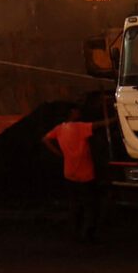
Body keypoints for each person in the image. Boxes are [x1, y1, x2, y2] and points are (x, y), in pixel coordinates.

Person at [44, 95, 110, 240]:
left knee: (74, 204)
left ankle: (74, 232)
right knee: (90, 205)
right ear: (72, 113)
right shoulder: (79, 127)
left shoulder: (60, 129)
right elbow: (98, 125)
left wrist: (59, 153)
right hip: (85, 173)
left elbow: (46, 139)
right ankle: (87, 234)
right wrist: (114, 120)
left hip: (69, 172)